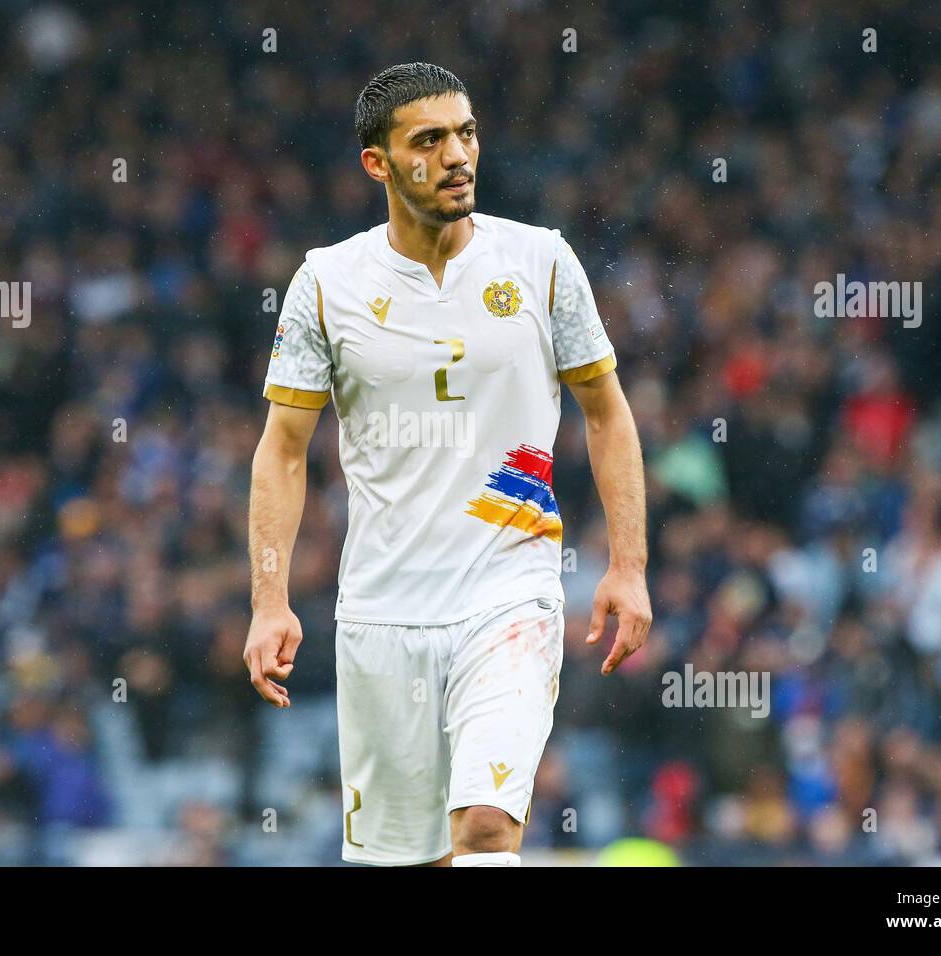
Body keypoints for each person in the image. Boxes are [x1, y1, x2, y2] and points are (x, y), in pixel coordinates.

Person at [245, 63, 652, 867]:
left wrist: (629, 565)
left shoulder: (539, 263)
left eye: (466, 133)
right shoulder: (326, 283)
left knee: (486, 830)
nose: (458, 154)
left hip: (509, 592)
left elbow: (607, 413)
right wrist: (268, 599)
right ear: (379, 163)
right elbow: (282, 450)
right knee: (418, 859)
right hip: (381, 612)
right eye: (428, 140)